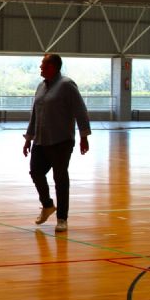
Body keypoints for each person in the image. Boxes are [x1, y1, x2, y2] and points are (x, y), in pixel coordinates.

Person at [23, 54, 91, 233]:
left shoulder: (67, 85)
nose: (40, 68)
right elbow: (34, 115)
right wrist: (28, 139)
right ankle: (47, 205)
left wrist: (84, 136)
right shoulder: (40, 87)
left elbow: (80, 110)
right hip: (40, 140)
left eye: (43, 65)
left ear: (53, 67)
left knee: (60, 178)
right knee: (36, 172)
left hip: (61, 141)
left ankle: (62, 218)